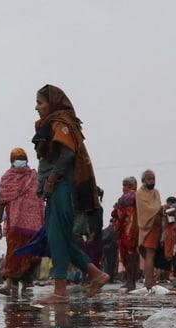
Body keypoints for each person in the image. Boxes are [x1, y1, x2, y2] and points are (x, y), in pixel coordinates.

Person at [32, 85, 107, 302]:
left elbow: (67, 155)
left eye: (40, 102)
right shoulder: (51, 124)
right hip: (57, 187)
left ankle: (61, 291)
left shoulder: (61, 123)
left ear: (52, 103)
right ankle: (95, 274)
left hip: (64, 187)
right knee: (58, 236)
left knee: (58, 235)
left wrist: (52, 180)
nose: (36, 107)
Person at [0, 148, 44, 296]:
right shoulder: (8, 178)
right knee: (14, 252)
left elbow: (41, 199)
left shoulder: (34, 176)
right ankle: (10, 283)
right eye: (18, 158)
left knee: (29, 254)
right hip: (17, 225)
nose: (20, 160)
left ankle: (24, 284)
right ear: (12, 160)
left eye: (22, 157)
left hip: (31, 226)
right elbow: (2, 201)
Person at [136, 170, 163, 292]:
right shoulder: (140, 193)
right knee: (149, 254)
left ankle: (150, 280)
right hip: (147, 226)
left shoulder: (156, 192)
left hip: (157, 226)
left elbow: (158, 206)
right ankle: (148, 281)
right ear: (143, 180)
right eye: (149, 179)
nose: (152, 181)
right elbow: (146, 209)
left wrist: (161, 209)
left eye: (153, 178)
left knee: (151, 254)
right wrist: (159, 209)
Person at [111, 177, 139, 291]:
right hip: (130, 228)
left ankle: (131, 282)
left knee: (129, 256)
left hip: (129, 228)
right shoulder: (136, 196)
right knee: (129, 256)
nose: (124, 188)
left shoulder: (129, 196)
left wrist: (116, 210)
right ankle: (130, 281)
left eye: (126, 185)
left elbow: (119, 213)